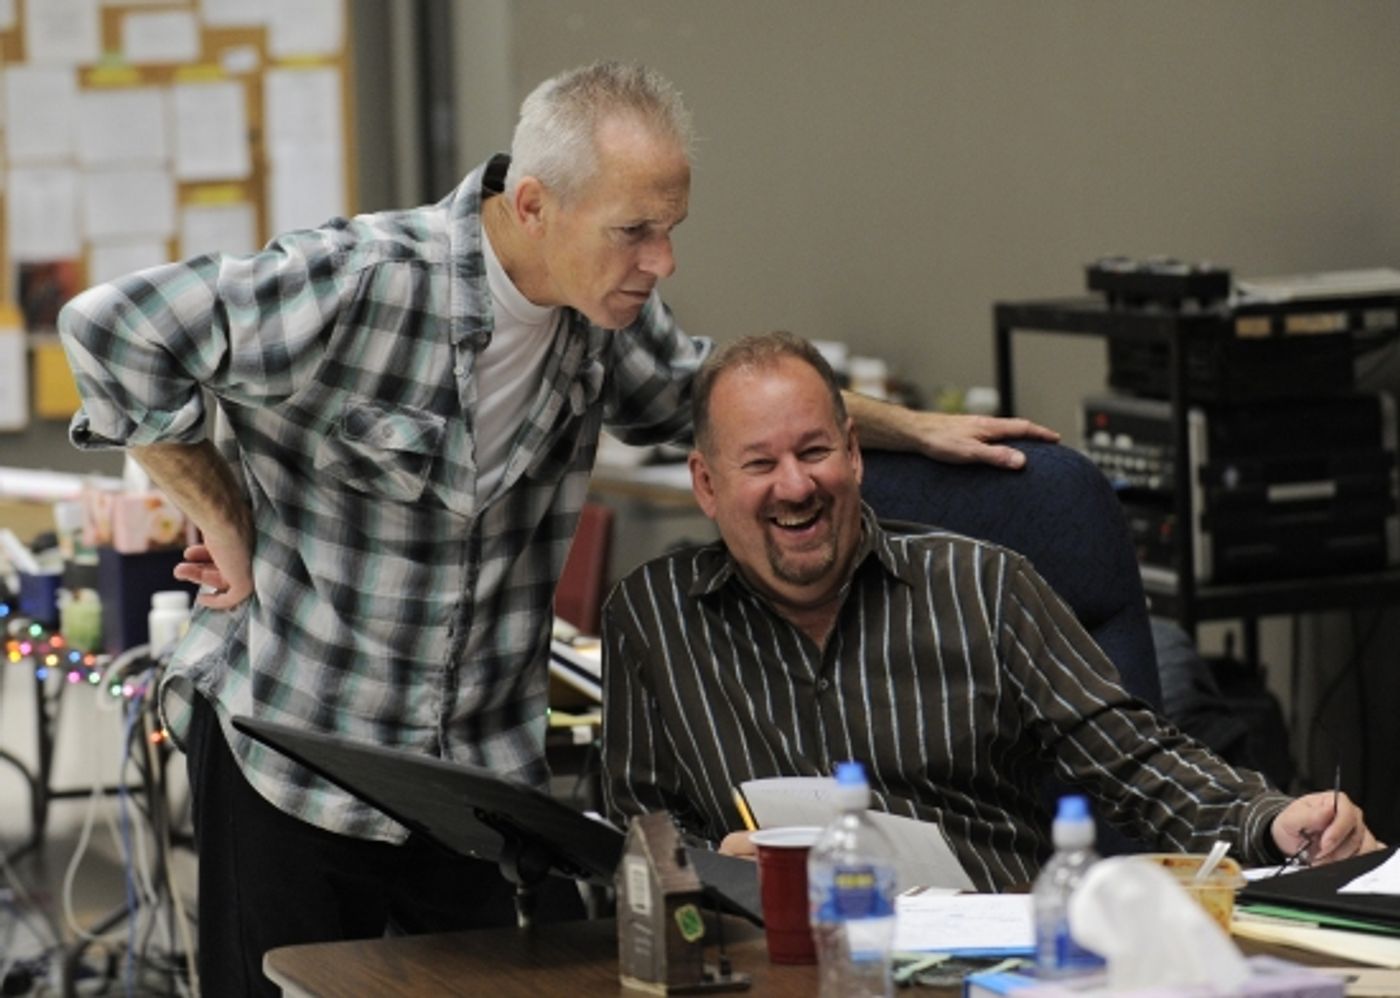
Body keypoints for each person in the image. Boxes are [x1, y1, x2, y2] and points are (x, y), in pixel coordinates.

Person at [57, 63, 1054, 994]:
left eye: (671, 228)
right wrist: (222, 510)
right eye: (635, 230)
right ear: (532, 205)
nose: (661, 261)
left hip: (469, 787)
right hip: (299, 761)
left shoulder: (601, 317)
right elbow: (111, 329)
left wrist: (905, 426)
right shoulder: (360, 280)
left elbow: (715, 399)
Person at [600, 330, 1383, 892]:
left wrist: (1270, 819)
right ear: (706, 485)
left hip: (994, 965)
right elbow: (639, 834)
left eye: (814, 452)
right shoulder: (654, 618)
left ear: (855, 455)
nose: (796, 486)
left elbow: (1136, 759)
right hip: (777, 968)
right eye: (760, 464)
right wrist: (712, 871)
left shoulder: (983, 586)